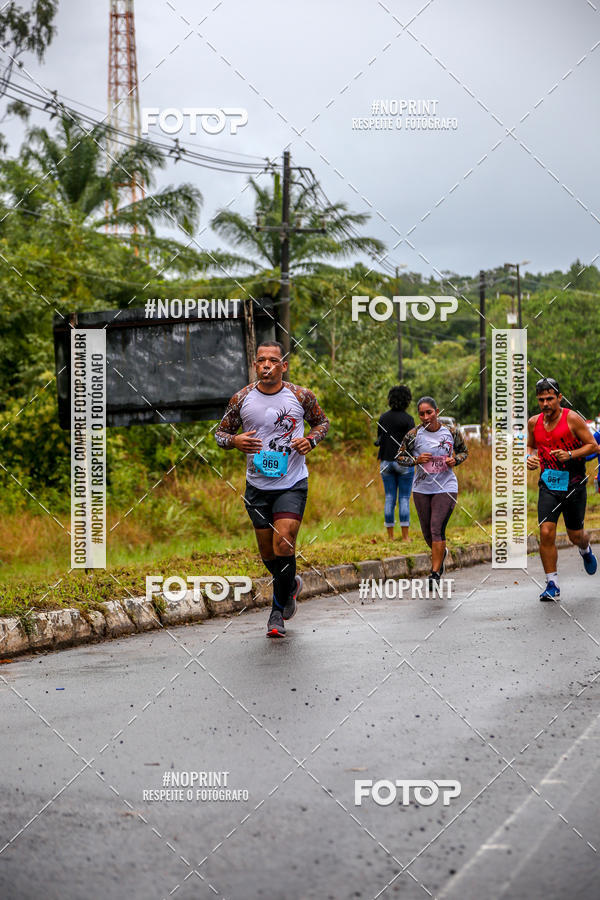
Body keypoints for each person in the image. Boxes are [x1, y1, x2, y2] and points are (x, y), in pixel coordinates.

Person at [215, 341, 329, 637]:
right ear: (256, 365)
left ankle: (276, 611)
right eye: (261, 360)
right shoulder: (241, 398)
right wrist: (235, 441)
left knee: (284, 543)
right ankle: (291, 585)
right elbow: (220, 434)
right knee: (269, 554)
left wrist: (311, 441)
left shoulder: (301, 396)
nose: (267, 365)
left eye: (273, 361)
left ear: (283, 366)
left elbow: (322, 423)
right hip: (257, 486)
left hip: (292, 482)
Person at [526, 377, 597, 601]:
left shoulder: (572, 419)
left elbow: (593, 446)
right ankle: (552, 583)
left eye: (550, 399)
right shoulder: (533, 422)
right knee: (546, 531)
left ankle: (585, 549)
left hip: (574, 484)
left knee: (575, 535)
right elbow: (530, 445)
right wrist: (530, 457)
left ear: (559, 397)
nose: (545, 404)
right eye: (541, 400)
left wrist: (570, 455)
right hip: (548, 484)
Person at [395, 396, 468, 586]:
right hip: (421, 488)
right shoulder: (413, 434)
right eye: (421, 414)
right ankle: (441, 553)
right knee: (427, 532)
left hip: (446, 486)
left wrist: (455, 460)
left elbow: (463, 452)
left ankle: (434, 573)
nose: (426, 417)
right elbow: (399, 457)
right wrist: (416, 460)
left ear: (437, 411)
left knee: (437, 528)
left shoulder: (451, 432)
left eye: (429, 412)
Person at [377, 385, 415, 541]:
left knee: (389, 498)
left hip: (386, 461)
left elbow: (379, 440)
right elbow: (412, 443)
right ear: (407, 400)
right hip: (404, 463)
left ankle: (390, 536)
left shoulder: (383, 418)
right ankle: (405, 537)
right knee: (404, 498)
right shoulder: (408, 419)